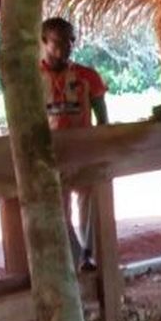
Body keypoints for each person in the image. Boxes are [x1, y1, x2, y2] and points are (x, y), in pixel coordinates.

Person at [39, 17, 108, 271]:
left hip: (84, 153)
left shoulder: (87, 76)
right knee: (59, 206)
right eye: (58, 41)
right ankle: (74, 255)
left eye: (70, 40)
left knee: (89, 202)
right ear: (44, 41)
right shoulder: (34, 79)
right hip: (50, 155)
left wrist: (102, 147)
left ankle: (88, 254)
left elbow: (103, 118)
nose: (66, 46)